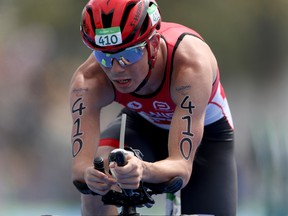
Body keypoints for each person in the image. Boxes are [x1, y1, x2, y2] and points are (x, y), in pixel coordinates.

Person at [69, 0, 237, 215]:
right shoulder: (88, 80)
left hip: (208, 137)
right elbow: (79, 169)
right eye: (104, 56)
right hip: (141, 124)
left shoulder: (191, 65)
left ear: (154, 43)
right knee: (98, 179)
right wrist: (93, 176)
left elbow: (181, 167)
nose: (116, 69)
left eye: (128, 55)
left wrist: (143, 168)